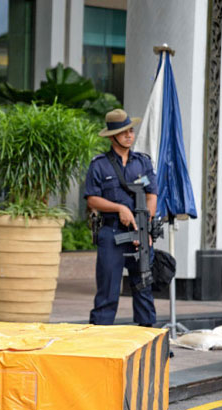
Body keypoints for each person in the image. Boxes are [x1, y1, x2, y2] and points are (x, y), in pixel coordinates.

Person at [84, 109, 157, 327]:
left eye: (131, 131)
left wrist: (145, 229)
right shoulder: (99, 164)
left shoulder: (142, 163)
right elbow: (92, 199)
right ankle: (98, 341)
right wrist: (119, 209)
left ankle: (147, 339)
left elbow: (152, 195)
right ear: (112, 136)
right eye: (123, 132)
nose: (129, 135)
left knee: (143, 287)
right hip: (111, 233)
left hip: (140, 234)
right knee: (107, 290)